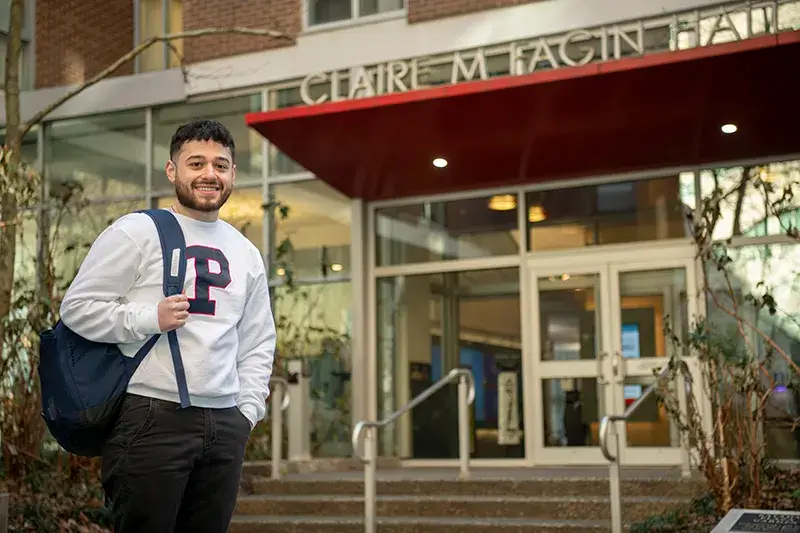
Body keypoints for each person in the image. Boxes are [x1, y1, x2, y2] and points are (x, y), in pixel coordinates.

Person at [59, 119, 275, 533]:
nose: (210, 174)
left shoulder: (246, 252)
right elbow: (78, 308)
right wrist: (147, 318)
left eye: (221, 165)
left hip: (225, 422)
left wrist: (246, 412)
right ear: (172, 170)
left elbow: (258, 340)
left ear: (232, 174)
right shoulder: (137, 231)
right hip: (152, 417)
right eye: (196, 163)